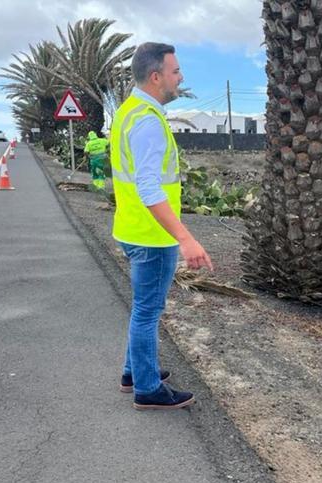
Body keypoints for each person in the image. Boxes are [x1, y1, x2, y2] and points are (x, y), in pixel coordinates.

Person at [110, 42, 213, 411]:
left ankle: (133, 372)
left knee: (143, 308)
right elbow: (149, 187)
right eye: (175, 71)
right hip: (151, 236)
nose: (181, 77)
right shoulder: (148, 122)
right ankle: (148, 389)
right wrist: (186, 239)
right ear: (156, 77)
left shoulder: (129, 111)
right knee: (148, 311)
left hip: (132, 228)